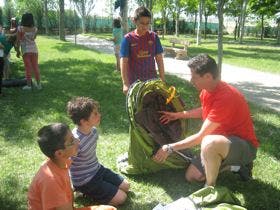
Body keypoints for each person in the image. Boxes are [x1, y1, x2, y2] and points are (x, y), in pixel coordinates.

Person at [153, 54, 259, 187]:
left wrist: (169, 148)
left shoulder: (226, 97)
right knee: (192, 176)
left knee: (208, 142)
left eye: (194, 77)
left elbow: (200, 137)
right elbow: (206, 111)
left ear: (208, 76)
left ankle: (209, 189)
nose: (191, 80)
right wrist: (179, 115)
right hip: (223, 142)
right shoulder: (206, 90)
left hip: (244, 146)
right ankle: (236, 167)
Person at [28, 123, 116, 210]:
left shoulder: (60, 162)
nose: (78, 141)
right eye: (71, 141)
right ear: (59, 153)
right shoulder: (51, 181)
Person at [67, 97, 130, 206]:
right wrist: (72, 186)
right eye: (95, 114)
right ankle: (83, 191)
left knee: (126, 186)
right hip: (85, 180)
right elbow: (67, 164)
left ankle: (95, 191)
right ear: (84, 121)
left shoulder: (94, 131)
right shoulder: (75, 141)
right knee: (122, 198)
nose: (99, 115)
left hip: (97, 169)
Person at [120, 6, 165, 95]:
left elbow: (159, 59)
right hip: (134, 83)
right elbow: (124, 62)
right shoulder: (128, 39)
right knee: (137, 108)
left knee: (153, 106)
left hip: (151, 81)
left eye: (147, 23)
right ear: (134, 21)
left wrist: (162, 79)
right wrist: (125, 83)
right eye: (142, 23)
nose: (145, 26)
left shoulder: (154, 37)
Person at [17, 12, 41, 90]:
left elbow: (18, 41)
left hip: (25, 51)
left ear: (23, 19)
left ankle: (29, 86)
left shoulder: (20, 28)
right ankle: (39, 85)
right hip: (34, 50)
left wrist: (17, 51)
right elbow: (34, 38)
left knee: (28, 68)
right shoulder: (35, 29)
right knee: (35, 67)